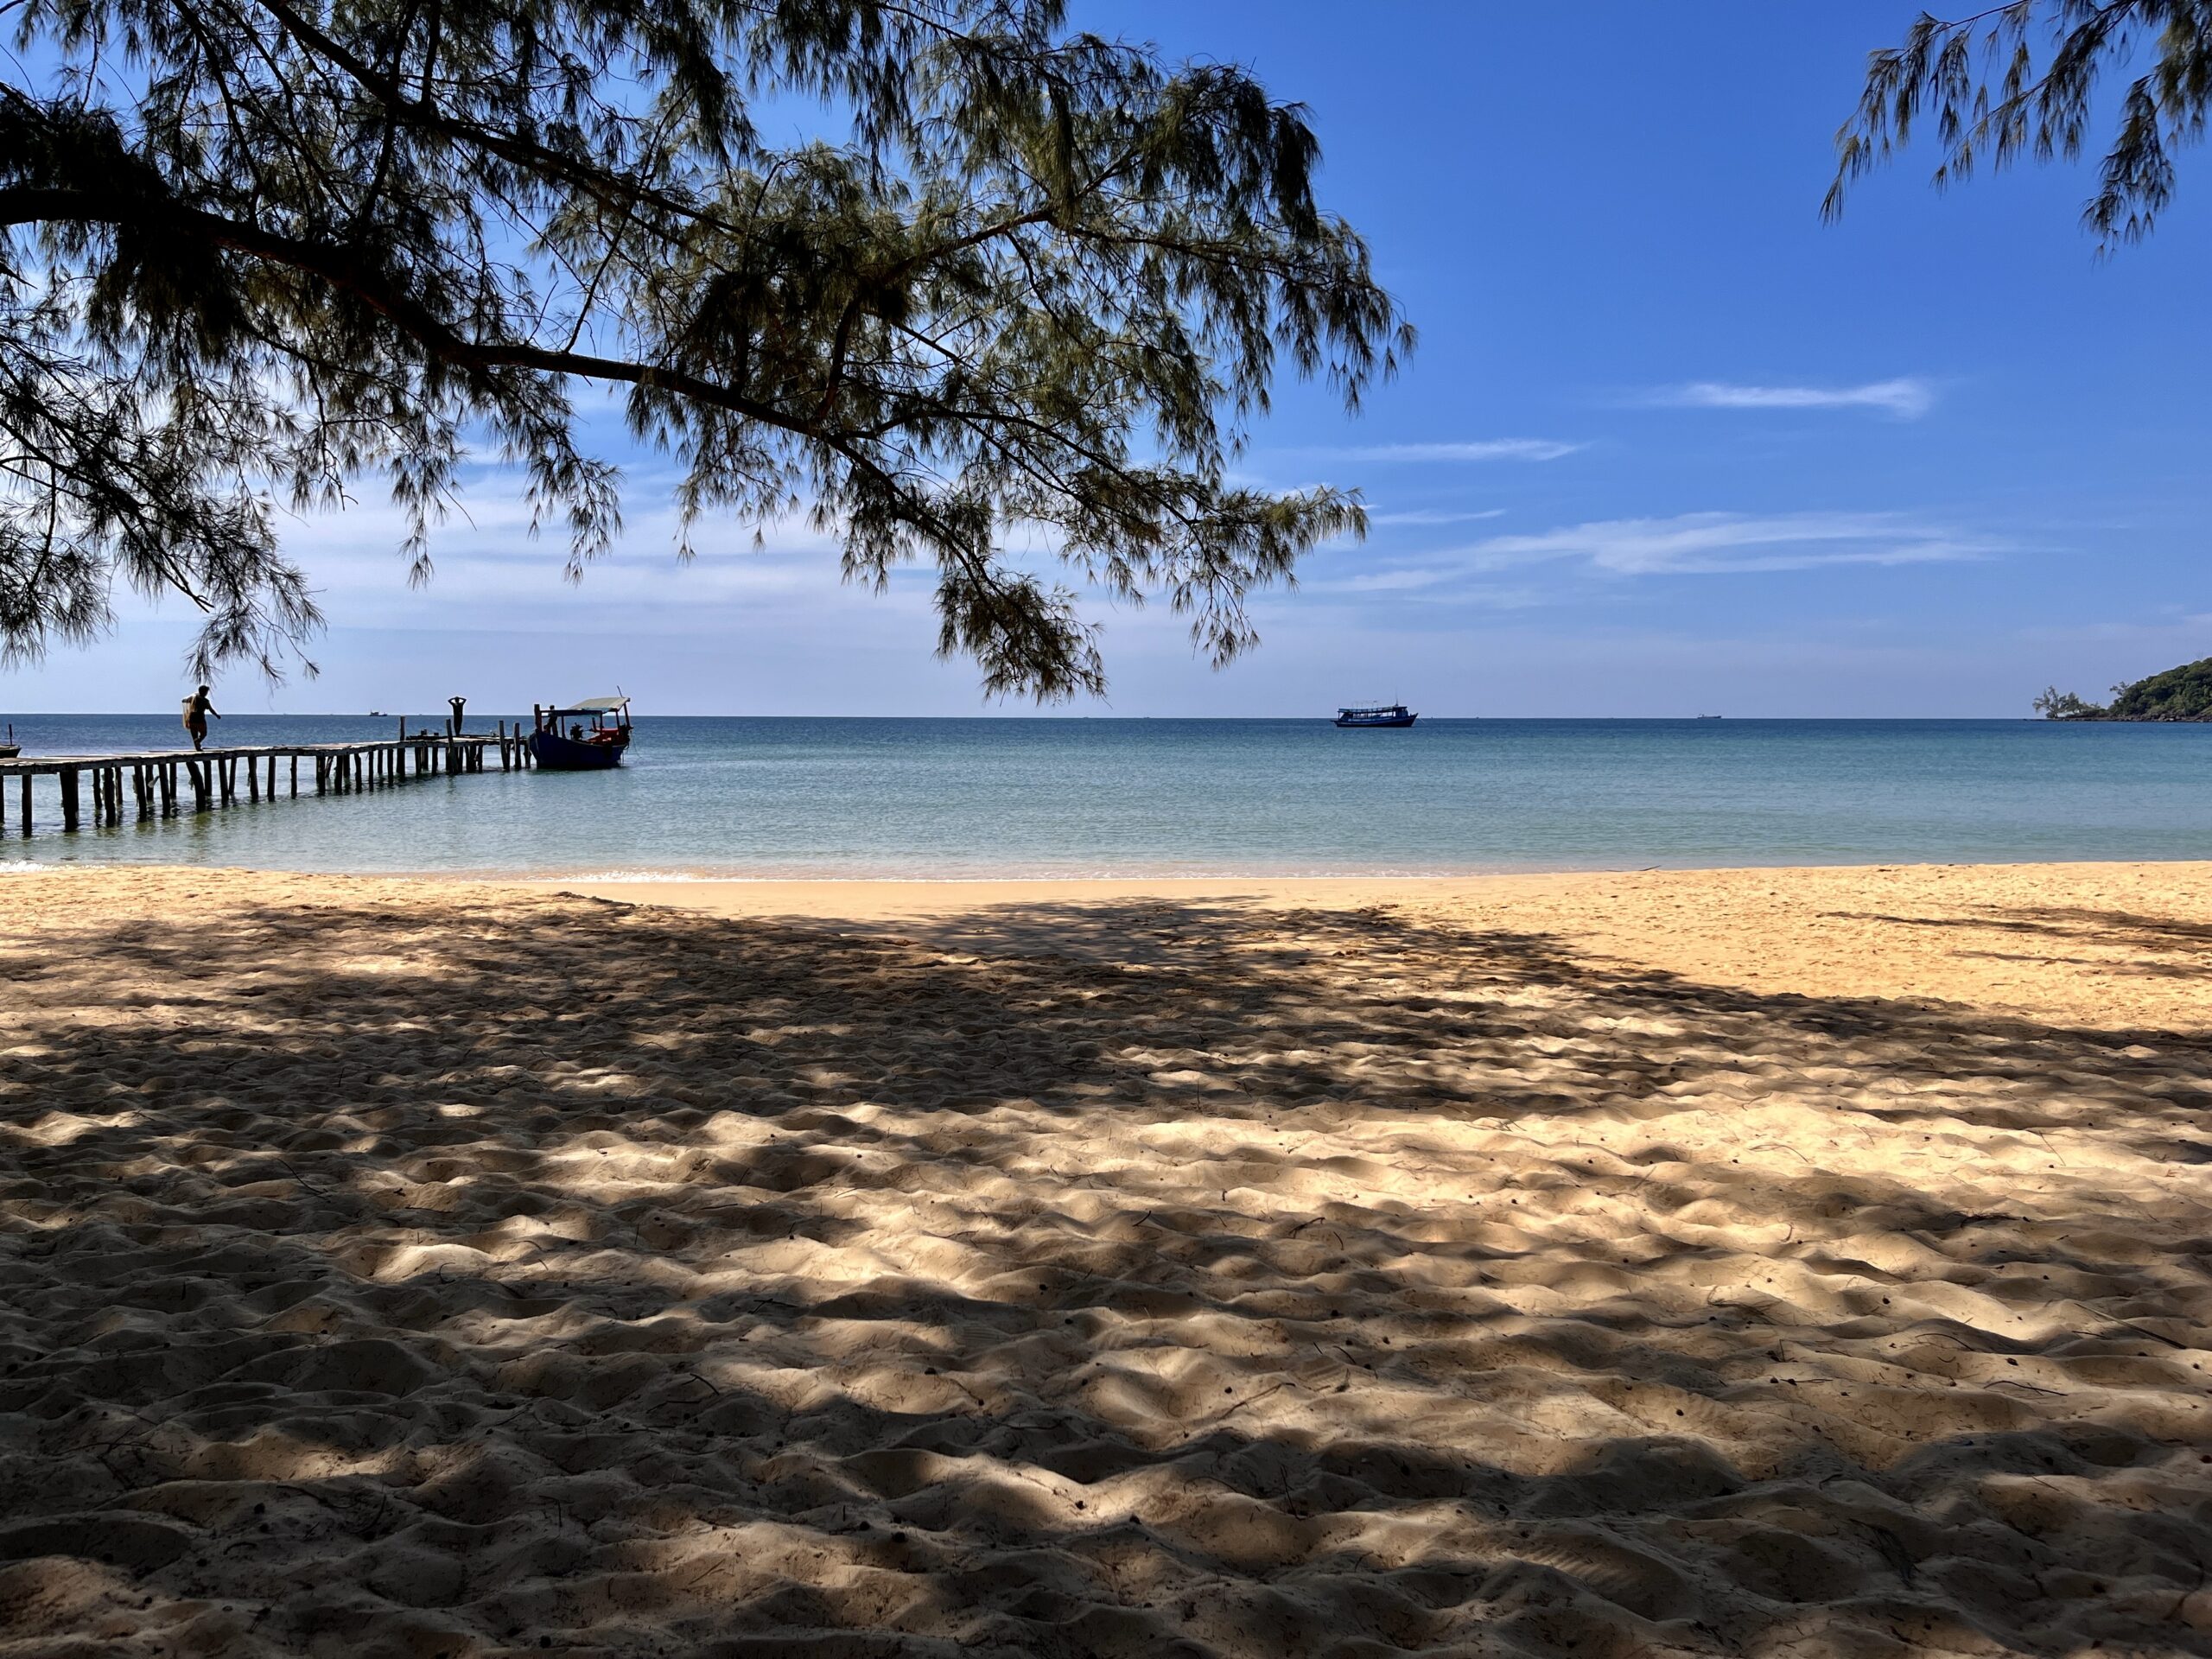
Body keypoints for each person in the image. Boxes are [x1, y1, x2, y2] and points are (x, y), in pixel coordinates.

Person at [182, 685, 219, 751]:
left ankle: (197, 747)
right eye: (206, 692)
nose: (207, 693)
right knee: (204, 733)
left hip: (192, 719)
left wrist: (193, 697)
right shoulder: (205, 701)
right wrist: (216, 715)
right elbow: (211, 709)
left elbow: (184, 700)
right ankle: (198, 742)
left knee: (194, 735)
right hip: (200, 719)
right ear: (204, 692)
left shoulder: (193, 698)